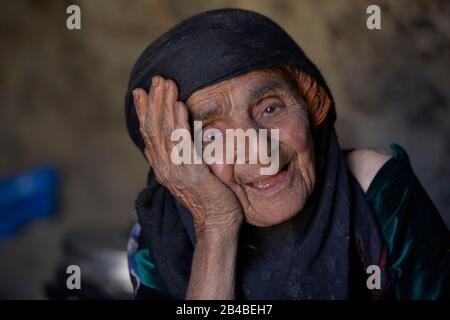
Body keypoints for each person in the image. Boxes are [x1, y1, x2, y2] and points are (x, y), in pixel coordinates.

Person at [124, 9, 449, 300]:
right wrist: (216, 226)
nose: (260, 149)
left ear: (311, 108)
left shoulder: (376, 190)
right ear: (173, 158)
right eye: (211, 135)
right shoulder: (163, 242)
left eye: (270, 108)